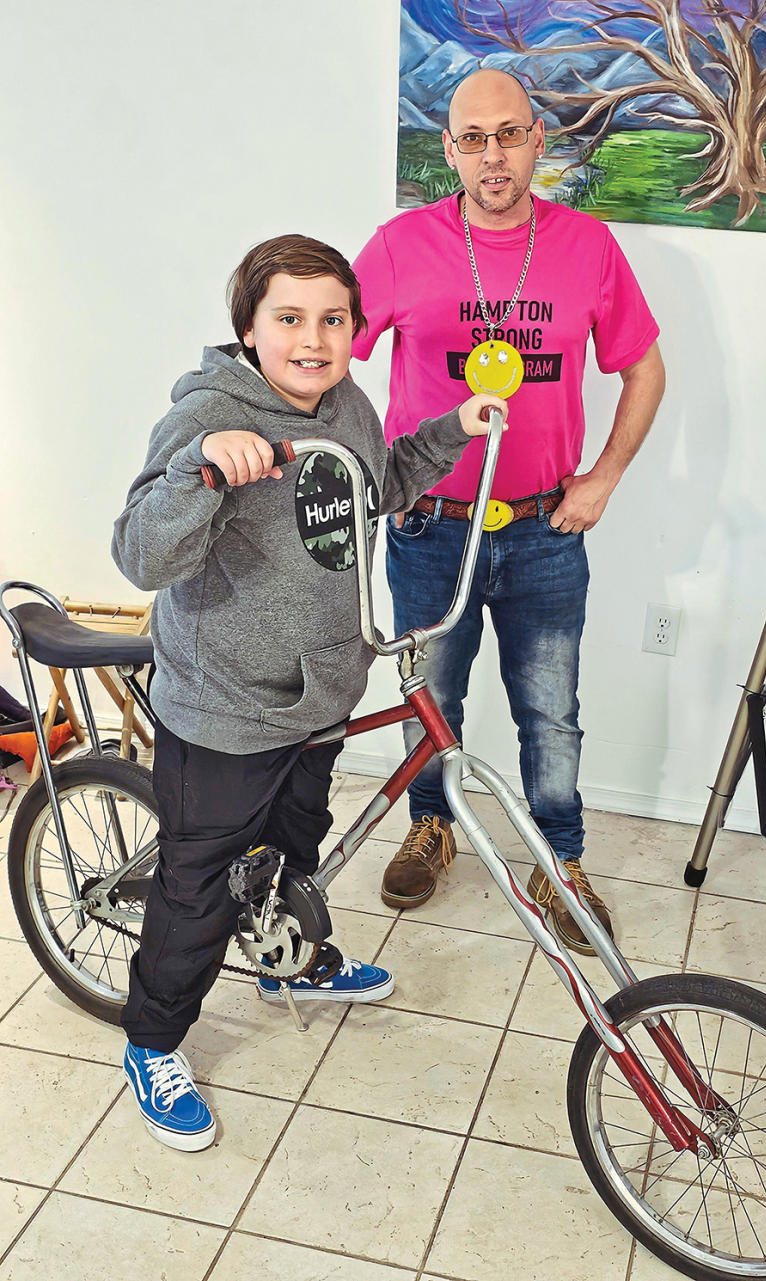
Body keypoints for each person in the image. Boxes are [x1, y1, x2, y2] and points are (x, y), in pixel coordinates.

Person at [112, 234, 506, 1151]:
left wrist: (454, 430)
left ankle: (286, 959)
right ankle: (153, 1040)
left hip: (322, 686)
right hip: (225, 702)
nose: (313, 339)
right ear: (249, 329)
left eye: (333, 320)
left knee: (294, 844)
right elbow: (141, 554)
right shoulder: (206, 415)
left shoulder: (348, 405)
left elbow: (382, 488)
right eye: (289, 318)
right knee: (196, 886)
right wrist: (204, 467)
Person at [352, 69, 665, 956]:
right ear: (449, 150)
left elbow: (643, 367)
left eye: (509, 134)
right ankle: (432, 827)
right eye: (473, 138)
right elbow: (325, 355)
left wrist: (601, 477)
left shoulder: (589, 247)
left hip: (543, 528)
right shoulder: (398, 245)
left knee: (549, 709)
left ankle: (558, 863)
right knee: (431, 696)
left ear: (538, 141)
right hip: (428, 526)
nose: (493, 155)